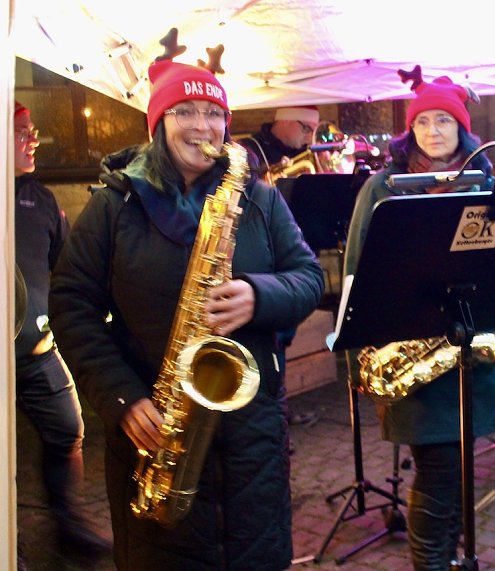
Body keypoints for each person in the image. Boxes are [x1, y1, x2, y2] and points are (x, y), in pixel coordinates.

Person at [48, 55, 324, 570]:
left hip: (253, 440)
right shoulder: (116, 206)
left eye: (213, 113)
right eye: (184, 112)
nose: (202, 126)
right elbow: (71, 304)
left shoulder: (259, 200)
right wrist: (121, 398)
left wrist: (259, 295)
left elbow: (310, 278)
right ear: (158, 125)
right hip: (154, 429)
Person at [342, 68, 495, 570]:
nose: (433, 131)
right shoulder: (385, 187)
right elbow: (355, 271)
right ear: (409, 131)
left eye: (444, 120)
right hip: (409, 359)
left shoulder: (487, 183)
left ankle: (452, 561)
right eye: (423, 122)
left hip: (466, 353)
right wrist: (355, 358)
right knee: (438, 472)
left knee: (456, 474)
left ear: (463, 128)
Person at [13, 101, 112, 562]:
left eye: (33, 129)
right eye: (20, 131)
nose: (33, 139)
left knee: (67, 429)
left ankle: (69, 523)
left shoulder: (40, 199)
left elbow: (65, 270)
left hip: (36, 350)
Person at [239, 105, 320, 179]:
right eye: (306, 129)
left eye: (313, 132)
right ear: (286, 120)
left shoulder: (306, 152)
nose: (310, 138)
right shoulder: (249, 149)